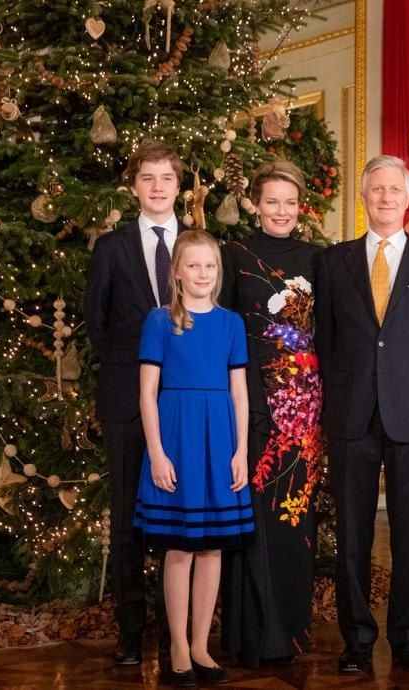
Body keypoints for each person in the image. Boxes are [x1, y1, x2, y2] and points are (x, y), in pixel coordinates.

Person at [314, 154, 409, 674]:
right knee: (352, 534)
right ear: (363, 197)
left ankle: (405, 638)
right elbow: (324, 344)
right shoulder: (332, 263)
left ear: (408, 197)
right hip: (350, 415)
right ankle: (356, 639)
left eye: (393, 189)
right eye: (375, 189)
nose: (384, 197)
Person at [134, 230, 254, 687]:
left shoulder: (230, 323)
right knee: (180, 549)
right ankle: (178, 646)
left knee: (212, 548)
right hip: (177, 439)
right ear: (177, 272)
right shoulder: (160, 321)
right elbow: (147, 393)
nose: (202, 274)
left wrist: (240, 451)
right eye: (194, 265)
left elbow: (240, 394)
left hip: (219, 440)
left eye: (210, 266)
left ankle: (202, 644)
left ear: (217, 272)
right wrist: (158, 453)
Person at [84, 139, 185, 666]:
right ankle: (129, 630)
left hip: (187, 406)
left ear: (179, 185)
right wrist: (135, 368)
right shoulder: (110, 247)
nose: (157, 187)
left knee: (179, 518)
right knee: (126, 519)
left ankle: (176, 634)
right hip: (126, 401)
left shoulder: (199, 245)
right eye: (147, 178)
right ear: (133, 187)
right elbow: (96, 325)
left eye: (166, 177)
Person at [219, 160, 322, 668]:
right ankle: (252, 633)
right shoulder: (234, 254)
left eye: (289, 202)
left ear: (299, 206)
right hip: (250, 403)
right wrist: (246, 403)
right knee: (251, 519)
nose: (281, 210)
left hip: (303, 410)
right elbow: (224, 332)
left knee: (293, 518)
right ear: (255, 205)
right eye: (271, 201)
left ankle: (291, 631)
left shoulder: (317, 259)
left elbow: (328, 334)